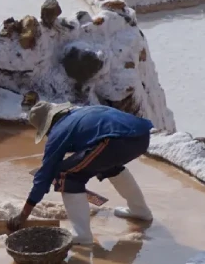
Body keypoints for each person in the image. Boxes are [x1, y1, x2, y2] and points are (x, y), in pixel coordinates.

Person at [8, 101, 154, 245]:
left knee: (66, 175)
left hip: (114, 142)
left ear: (47, 126)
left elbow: (44, 175)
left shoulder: (59, 131)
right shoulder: (80, 113)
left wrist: (24, 215)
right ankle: (140, 211)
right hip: (141, 136)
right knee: (109, 165)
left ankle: (81, 235)